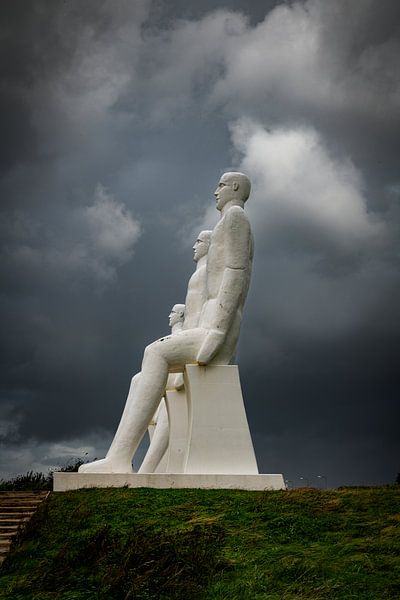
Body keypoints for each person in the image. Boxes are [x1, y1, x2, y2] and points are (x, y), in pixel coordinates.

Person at [79, 172, 253, 474]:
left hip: (217, 331)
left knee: (154, 352)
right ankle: (119, 458)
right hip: (209, 326)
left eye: (221, 185)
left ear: (235, 187)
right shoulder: (226, 223)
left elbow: (236, 275)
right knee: (148, 366)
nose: (216, 191)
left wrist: (218, 331)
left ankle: (121, 459)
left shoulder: (235, 218)